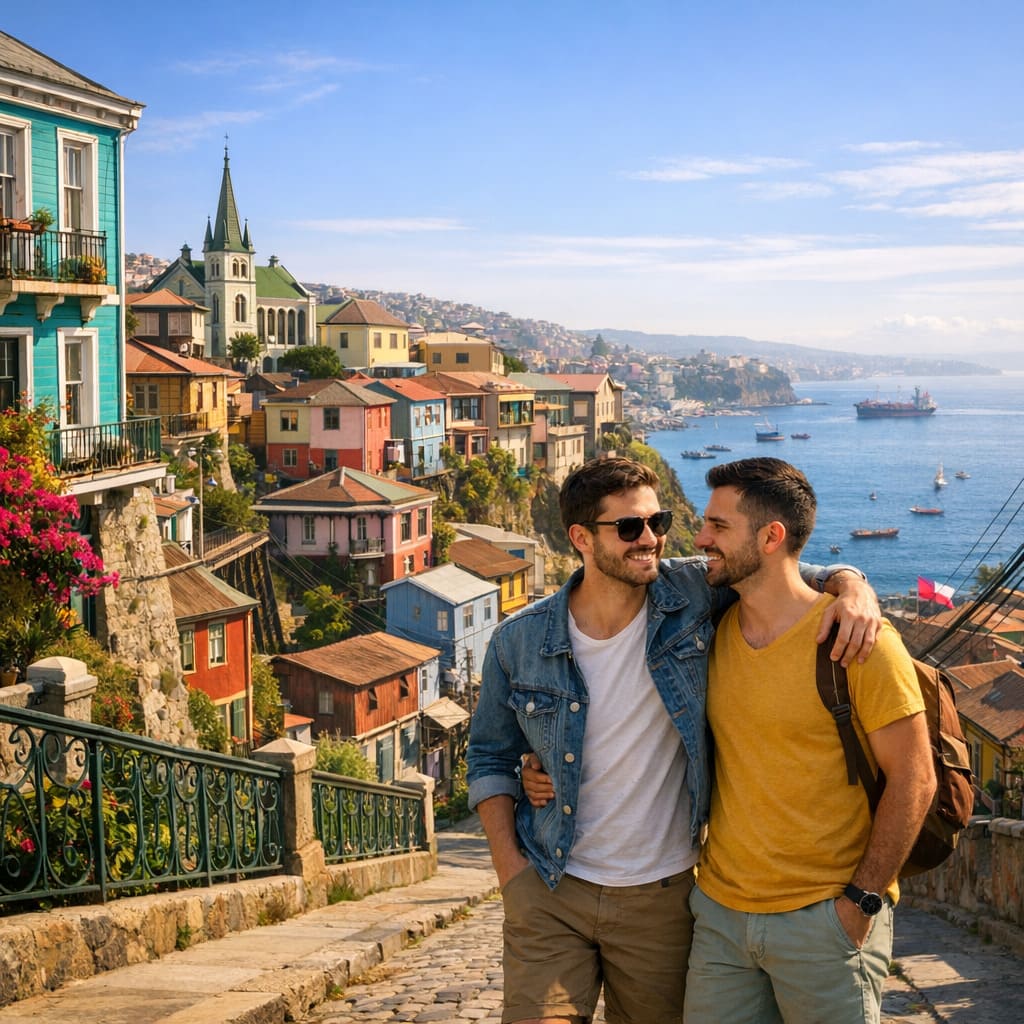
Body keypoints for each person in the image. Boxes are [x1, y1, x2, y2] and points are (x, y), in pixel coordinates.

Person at [466, 456, 881, 1024]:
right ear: (581, 538)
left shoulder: (691, 593)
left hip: (661, 898)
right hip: (549, 886)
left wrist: (853, 586)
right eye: (630, 527)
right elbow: (488, 753)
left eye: (657, 522)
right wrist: (510, 870)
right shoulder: (519, 640)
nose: (651, 540)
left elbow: (781, 571)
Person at [683, 457, 935, 1023]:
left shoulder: (858, 643)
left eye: (718, 527)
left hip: (825, 923)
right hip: (721, 920)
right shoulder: (713, 631)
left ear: (771, 537)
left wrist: (862, 903)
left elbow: (915, 778)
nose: (701, 539)